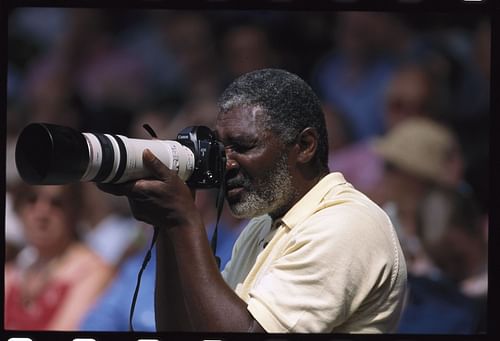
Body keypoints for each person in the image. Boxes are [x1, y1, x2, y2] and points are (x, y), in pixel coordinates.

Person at [98, 68, 407, 333]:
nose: (226, 163)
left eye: (243, 147)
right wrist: (166, 225)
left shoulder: (345, 224)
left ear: (304, 146)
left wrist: (184, 220)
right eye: (221, 150)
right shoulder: (262, 225)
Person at [4, 183, 113, 330]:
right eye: (31, 199)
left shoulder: (94, 271)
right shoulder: (12, 272)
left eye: (57, 203)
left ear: (74, 212)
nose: (41, 212)